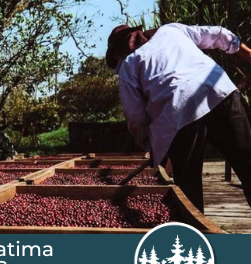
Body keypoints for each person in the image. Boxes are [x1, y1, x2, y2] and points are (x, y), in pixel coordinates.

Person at [105, 22, 251, 213]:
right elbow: (217, 34)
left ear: (118, 51)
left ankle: (195, 229)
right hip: (219, 92)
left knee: (189, 190)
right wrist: (247, 54)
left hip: (179, 114)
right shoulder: (171, 30)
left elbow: (136, 117)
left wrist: (149, 145)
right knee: (247, 163)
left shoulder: (128, 65)